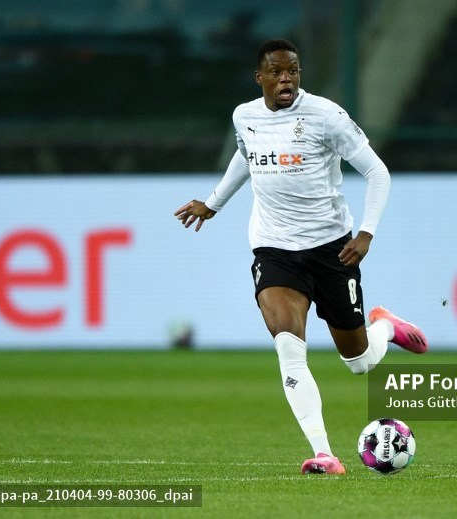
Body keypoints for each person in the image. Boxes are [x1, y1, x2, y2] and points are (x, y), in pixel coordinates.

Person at [174, 38, 427, 475]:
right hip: (274, 249)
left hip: (332, 248)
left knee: (359, 361)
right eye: (276, 71)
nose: (286, 78)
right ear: (261, 78)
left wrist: (366, 233)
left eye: (292, 70)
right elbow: (246, 155)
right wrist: (213, 203)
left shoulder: (326, 116)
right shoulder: (245, 116)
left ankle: (386, 326)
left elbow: (377, 171)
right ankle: (325, 453)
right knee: (289, 349)